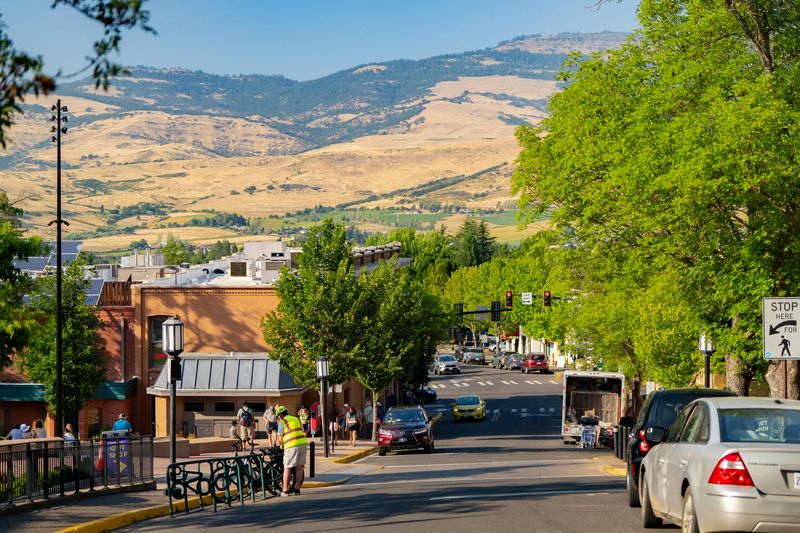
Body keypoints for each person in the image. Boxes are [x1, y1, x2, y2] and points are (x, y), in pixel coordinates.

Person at [275, 405, 307, 497]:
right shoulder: (296, 419)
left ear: (280, 415)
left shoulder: (281, 422)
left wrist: (281, 445)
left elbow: (280, 437)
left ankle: (285, 490)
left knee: (287, 467)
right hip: (302, 443)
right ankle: (297, 488)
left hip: (291, 445)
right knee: (299, 467)